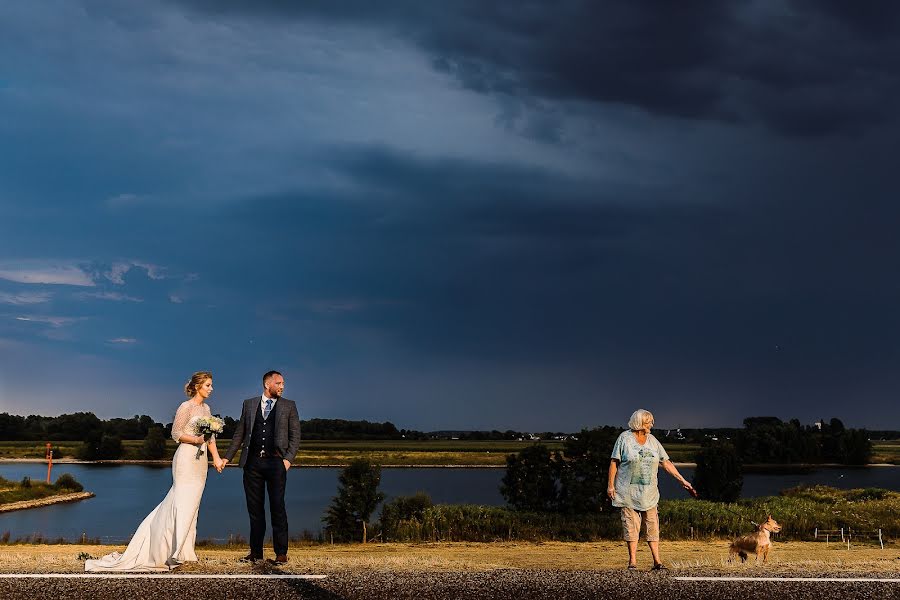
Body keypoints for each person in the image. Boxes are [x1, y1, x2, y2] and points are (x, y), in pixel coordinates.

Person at [85, 372, 226, 572]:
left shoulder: (207, 408)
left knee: (192, 505)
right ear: (197, 386)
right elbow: (176, 433)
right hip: (186, 458)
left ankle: (185, 551)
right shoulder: (185, 407)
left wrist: (217, 458)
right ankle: (169, 551)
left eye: (212, 385)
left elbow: (210, 438)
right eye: (208, 385)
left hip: (201, 461)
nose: (211, 389)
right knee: (180, 501)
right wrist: (196, 440)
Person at [222, 370, 301, 564]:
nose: (282, 386)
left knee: (278, 508)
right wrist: (227, 457)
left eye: (283, 383)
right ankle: (256, 553)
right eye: (279, 383)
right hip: (252, 464)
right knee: (255, 510)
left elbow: (295, 435)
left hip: (277, 464)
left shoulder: (289, 406)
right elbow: (239, 433)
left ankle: (281, 553)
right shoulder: (249, 404)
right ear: (268, 384)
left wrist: (288, 460)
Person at [607, 408, 695, 571]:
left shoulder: (653, 440)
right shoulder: (624, 439)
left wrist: (683, 480)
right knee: (631, 526)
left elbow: (666, 462)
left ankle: (657, 562)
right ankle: (632, 562)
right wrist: (610, 485)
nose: (652, 424)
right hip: (627, 492)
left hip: (649, 493)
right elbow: (614, 462)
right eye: (649, 422)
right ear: (639, 422)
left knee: (652, 526)